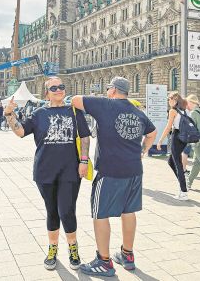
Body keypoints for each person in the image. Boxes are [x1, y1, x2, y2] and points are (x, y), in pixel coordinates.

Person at [71, 76, 157, 277]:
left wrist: (100, 99)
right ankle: (127, 255)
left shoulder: (105, 105)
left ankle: (104, 261)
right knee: (129, 211)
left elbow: (75, 99)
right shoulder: (138, 111)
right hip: (134, 170)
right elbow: (152, 133)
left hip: (110, 171)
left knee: (100, 214)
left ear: (113, 90)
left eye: (108, 87)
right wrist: (143, 150)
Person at [4, 77, 91, 271]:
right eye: (54, 88)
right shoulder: (38, 113)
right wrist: (9, 114)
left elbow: (85, 137)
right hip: (44, 170)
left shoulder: (74, 112)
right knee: (52, 211)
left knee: (67, 211)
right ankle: (52, 249)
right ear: (47, 93)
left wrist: (84, 161)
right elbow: (20, 132)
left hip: (70, 169)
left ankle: (73, 248)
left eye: (61, 87)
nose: (59, 90)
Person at [156, 92, 190, 200]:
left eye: (169, 99)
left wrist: (160, 141)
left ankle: (183, 191)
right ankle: (183, 183)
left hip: (176, 137)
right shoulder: (184, 110)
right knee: (171, 162)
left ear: (174, 100)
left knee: (177, 164)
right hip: (184, 138)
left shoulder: (172, 111)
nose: (168, 101)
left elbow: (168, 127)